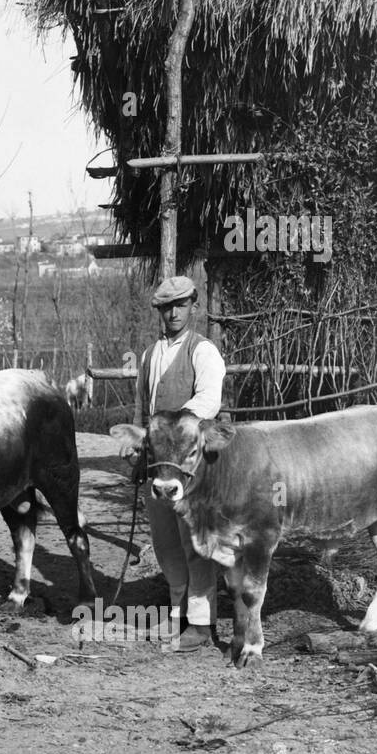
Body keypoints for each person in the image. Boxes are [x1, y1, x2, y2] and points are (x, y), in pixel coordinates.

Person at [134, 275, 226, 653]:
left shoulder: (203, 352)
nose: (174, 313)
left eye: (181, 305)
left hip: (191, 466)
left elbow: (209, 400)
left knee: (195, 542)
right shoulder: (149, 355)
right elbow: (143, 407)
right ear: (159, 310)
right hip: (158, 466)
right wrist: (143, 444)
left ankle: (202, 624)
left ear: (193, 306)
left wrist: (174, 430)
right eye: (166, 307)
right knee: (165, 541)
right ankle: (177, 613)